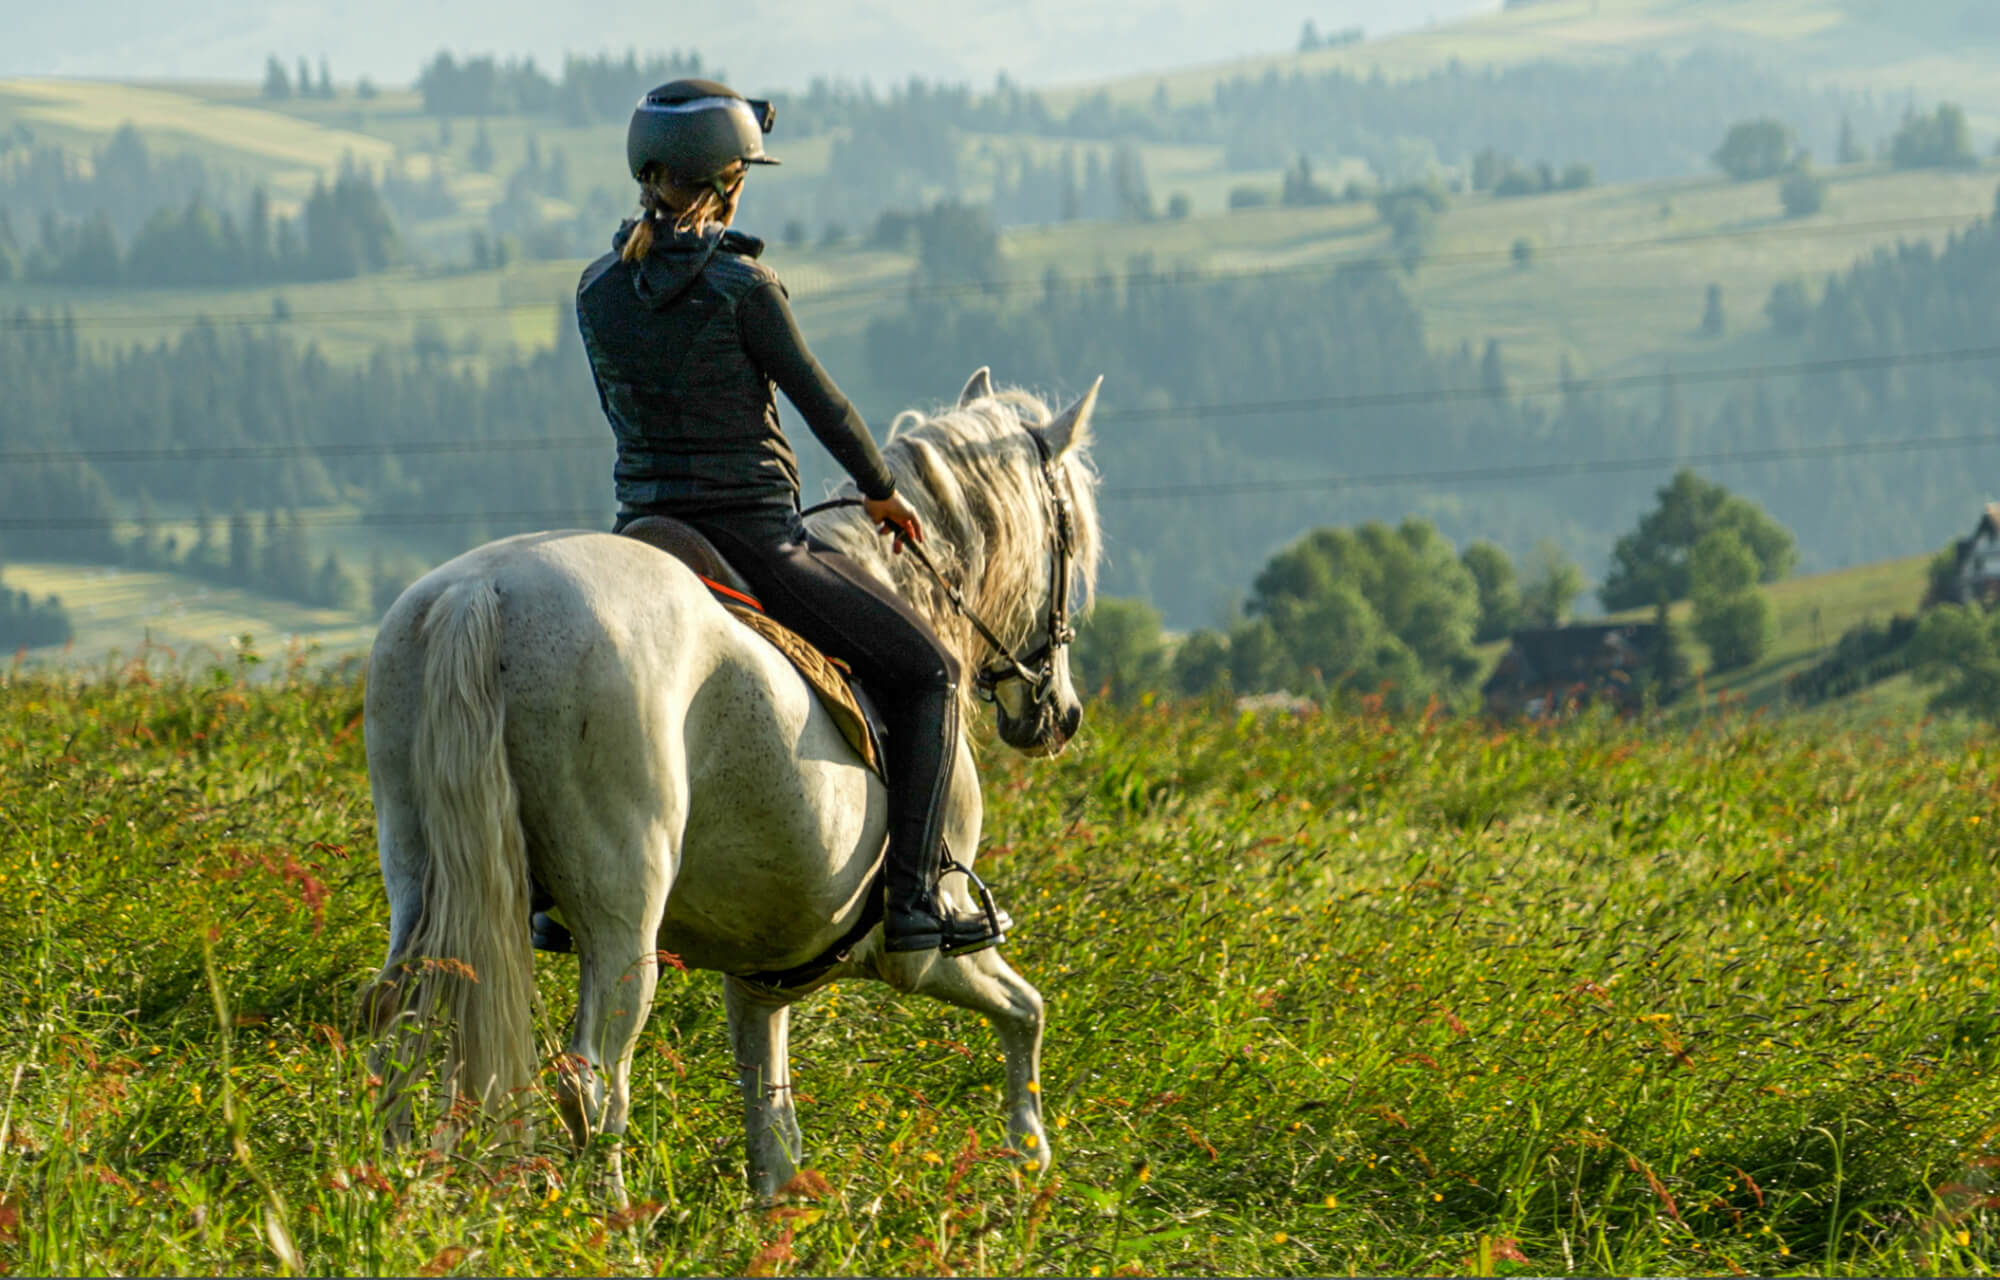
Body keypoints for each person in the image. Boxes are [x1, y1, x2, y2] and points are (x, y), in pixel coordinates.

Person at [573, 79, 1008, 956]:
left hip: (644, 534)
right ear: (729, 180)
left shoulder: (597, 292)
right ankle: (919, 897)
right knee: (930, 675)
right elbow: (823, 404)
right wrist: (881, 488)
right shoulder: (745, 288)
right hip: (755, 539)